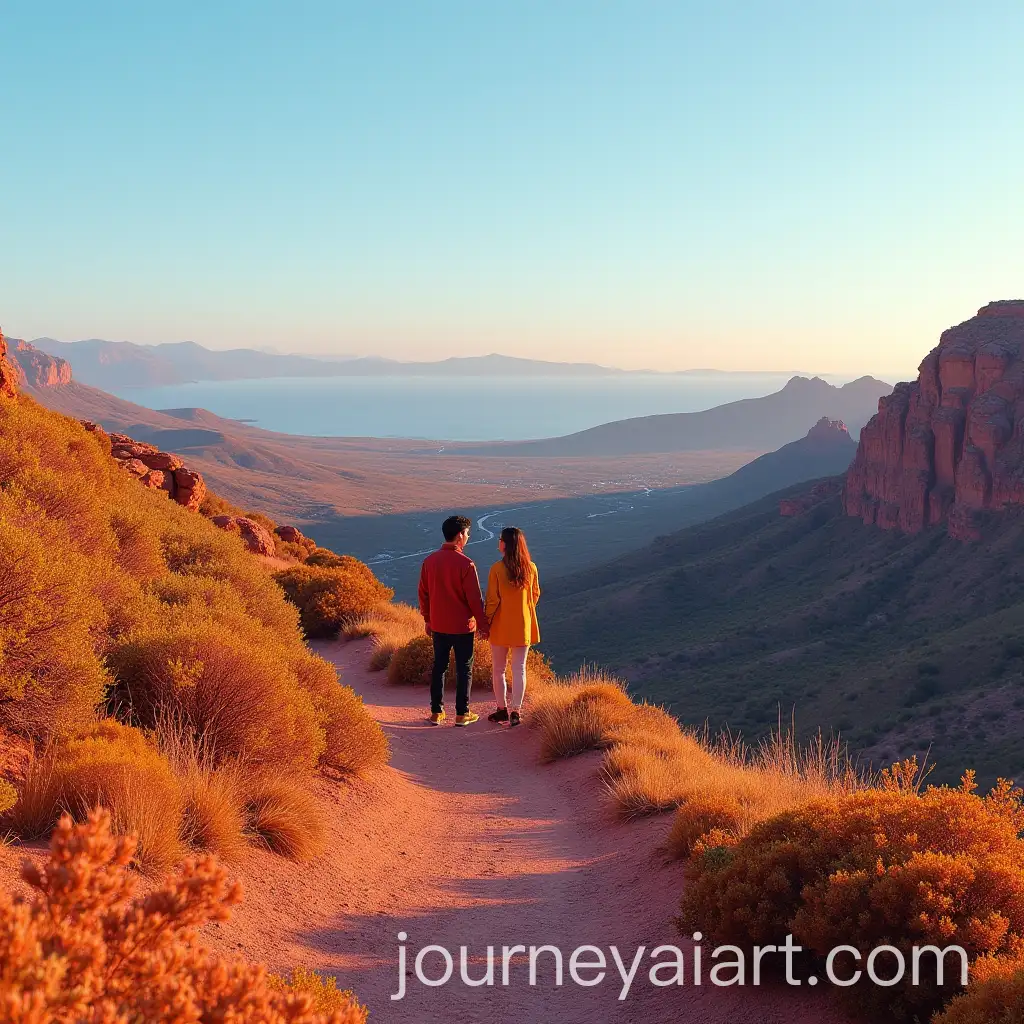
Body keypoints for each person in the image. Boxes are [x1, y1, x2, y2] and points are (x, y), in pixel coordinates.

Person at [418, 514, 488, 727]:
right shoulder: (466, 564)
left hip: (439, 625)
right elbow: (475, 600)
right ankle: (461, 713)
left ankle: (436, 712)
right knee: (464, 669)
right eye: (467, 533)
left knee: (439, 666)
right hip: (462, 627)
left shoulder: (429, 561)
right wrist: (484, 626)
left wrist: (428, 619)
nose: (468, 536)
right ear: (460, 535)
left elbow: (423, 594)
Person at [484, 526, 540, 727]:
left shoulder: (497, 569)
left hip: (500, 624)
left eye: (500, 539)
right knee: (519, 668)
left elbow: (492, 600)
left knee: (498, 669)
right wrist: (525, 608)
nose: (498, 542)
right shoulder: (531, 568)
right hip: (523, 624)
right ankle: (516, 710)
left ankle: (502, 709)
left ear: (506, 544)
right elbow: (535, 594)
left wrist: (486, 621)